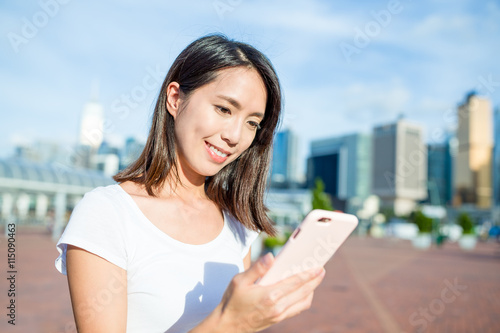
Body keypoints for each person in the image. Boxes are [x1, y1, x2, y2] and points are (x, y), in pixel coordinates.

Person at [55, 34, 325, 333]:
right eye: (224, 109)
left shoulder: (237, 222)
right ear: (175, 98)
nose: (235, 136)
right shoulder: (107, 214)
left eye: (252, 122)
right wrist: (229, 322)